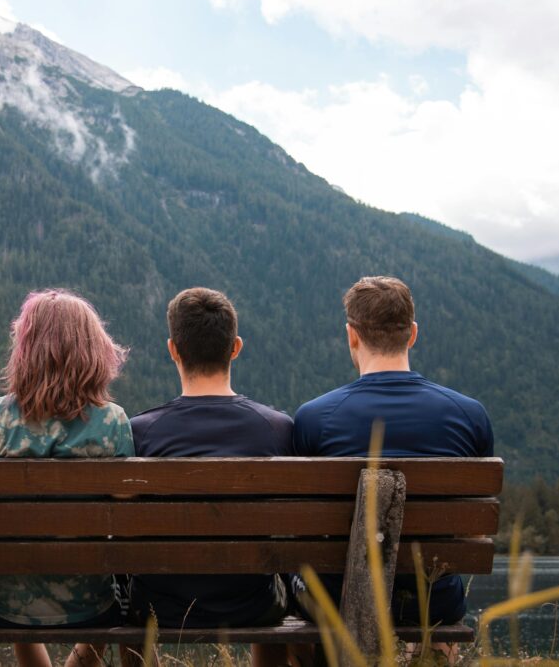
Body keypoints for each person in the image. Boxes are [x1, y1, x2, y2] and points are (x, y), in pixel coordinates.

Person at [293, 276, 494, 628]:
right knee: (446, 592)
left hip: (336, 599)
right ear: (413, 334)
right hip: (433, 601)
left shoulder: (314, 418)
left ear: (351, 335)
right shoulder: (469, 415)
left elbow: (302, 529)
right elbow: (474, 532)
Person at [0, 289, 133, 667]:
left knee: (18, 582)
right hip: (91, 604)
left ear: (24, 349)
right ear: (92, 351)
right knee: (116, 598)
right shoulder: (112, 422)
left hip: (3, 604)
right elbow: (123, 517)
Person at [127, 287, 293, 667]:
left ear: (173, 349)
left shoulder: (141, 432)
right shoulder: (278, 429)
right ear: (235, 347)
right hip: (254, 602)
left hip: (157, 605)